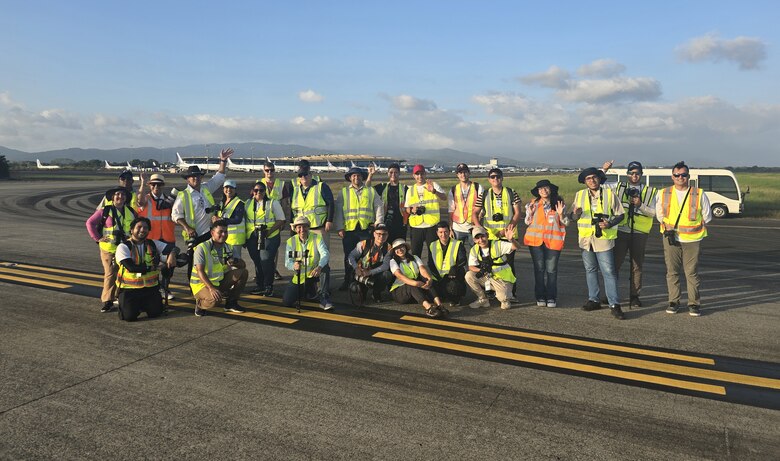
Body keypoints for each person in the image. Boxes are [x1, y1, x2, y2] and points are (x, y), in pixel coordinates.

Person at [570, 167, 626, 320]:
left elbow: (621, 214)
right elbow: (572, 217)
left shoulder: (609, 194)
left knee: (609, 271)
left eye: (594, 177)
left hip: (604, 239)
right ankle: (593, 300)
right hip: (586, 240)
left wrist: (610, 223)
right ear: (585, 182)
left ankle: (614, 304)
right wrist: (576, 214)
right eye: (588, 178)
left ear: (599, 179)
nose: (592, 180)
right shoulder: (579, 195)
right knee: (590, 269)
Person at [657, 161, 711, 317]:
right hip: (671, 238)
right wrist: (665, 222)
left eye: (683, 175)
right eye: (677, 175)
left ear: (688, 176)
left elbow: (707, 216)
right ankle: (673, 302)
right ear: (672, 176)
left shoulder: (699, 193)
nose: (680, 177)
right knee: (672, 272)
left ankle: (694, 304)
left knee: (691, 272)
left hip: (692, 240)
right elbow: (659, 213)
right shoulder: (663, 193)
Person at [602, 160, 658, 307]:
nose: (634, 175)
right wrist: (604, 170)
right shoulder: (619, 186)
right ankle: (611, 294)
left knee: (637, 266)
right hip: (621, 231)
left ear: (641, 174)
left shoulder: (650, 191)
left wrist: (640, 205)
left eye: (637, 173)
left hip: (639, 233)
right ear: (627, 174)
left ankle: (634, 296)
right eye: (631, 173)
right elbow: (599, 185)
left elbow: (655, 213)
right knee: (615, 264)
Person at [171, 147, 233, 280]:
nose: (196, 178)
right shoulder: (183, 195)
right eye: (193, 176)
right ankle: (194, 286)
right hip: (196, 235)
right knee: (195, 262)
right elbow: (175, 215)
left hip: (210, 233)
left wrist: (223, 161)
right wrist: (187, 228)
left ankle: (212, 282)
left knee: (212, 260)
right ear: (188, 179)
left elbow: (219, 178)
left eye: (198, 176)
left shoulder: (206, 188)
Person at [115, 217, 180, 321]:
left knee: (156, 313)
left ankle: (143, 304)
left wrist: (172, 254)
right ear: (131, 230)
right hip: (130, 289)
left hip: (150, 288)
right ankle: (127, 304)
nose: (142, 230)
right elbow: (131, 268)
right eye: (139, 227)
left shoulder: (153, 243)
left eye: (145, 228)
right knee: (129, 317)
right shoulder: (123, 246)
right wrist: (153, 268)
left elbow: (175, 248)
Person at [472, 167, 522, 298]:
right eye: (492, 177)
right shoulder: (484, 194)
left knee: (508, 265)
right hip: (489, 237)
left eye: (498, 176)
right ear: (489, 179)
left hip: (507, 235)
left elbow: (517, 213)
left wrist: (508, 229)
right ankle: (492, 291)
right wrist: (480, 229)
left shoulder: (511, 192)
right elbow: (474, 213)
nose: (495, 179)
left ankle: (511, 293)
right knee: (489, 264)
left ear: (502, 178)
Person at [86, 188, 137, 312]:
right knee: (110, 273)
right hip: (109, 249)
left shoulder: (131, 211)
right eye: (117, 194)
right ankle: (107, 300)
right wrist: (97, 238)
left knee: (125, 273)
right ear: (112, 197)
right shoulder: (105, 211)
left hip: (126, 248)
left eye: (123, 194)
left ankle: (121, 296)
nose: (120, 196)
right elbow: (89, 223)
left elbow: (137, 226)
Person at [290, 161, 335, 304]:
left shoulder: (321, 186)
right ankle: (309, 290)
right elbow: (293, 209)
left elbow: (331, 203)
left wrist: (329, 220)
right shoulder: (296, 189)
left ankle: (324, 293)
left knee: (322, 260)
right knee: (303, 260)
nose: (303, 178)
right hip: (302, 232)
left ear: (311, 175)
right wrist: (292, 224)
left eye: (306, 175)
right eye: (300, 175)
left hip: (318, 229)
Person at [336, 166, 384, 290]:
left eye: (358, 175)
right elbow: (339, 211)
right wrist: (340, 227)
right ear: (350, 178)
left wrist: (378, 222)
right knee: (348, 256)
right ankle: (348, 280)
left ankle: (363, 280)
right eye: (353, 176)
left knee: (365, 256)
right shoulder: (343, 192)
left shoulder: (370, 191)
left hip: (366, 229)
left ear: (362, 177)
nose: (356, 178)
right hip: (349, 230)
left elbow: (378, 206)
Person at [524, 180, 568, 308]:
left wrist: (561, 214)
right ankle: (540, 296)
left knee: (551, 270)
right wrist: (530, 213)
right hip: (536, 242)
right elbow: (527, 222)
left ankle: (551, 297)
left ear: (551, 189)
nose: (543, 190)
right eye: (540, 189)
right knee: (539, 270)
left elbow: (566, 223)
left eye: (546, 188)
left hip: (553, 242)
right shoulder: (532, 204)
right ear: (538, 192)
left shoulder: (559, 204)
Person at [190, 220, 248, 316]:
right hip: (201, 284)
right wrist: (211, 288)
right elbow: (200, 271)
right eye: (220, 232)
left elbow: (243, 265)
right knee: (215, 300)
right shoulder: (202, 248)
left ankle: (231, 303)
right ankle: (200, 304)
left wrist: (235, 262)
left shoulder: (229, 247)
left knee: (243, 272)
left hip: (218, 281)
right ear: (212, 233)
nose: (224, 234)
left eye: (225, 232)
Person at [136, 173, 177, 300]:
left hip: (168, 238)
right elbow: (139, 201)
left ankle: (164, 288)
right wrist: (142, 183)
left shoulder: (170, 200)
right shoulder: (146, 199)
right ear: (150, 186)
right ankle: (153, 289)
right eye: (153, 184)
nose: (156, 187)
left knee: (169, 266)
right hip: (151, 239)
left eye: (159, 185)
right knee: (151, 266)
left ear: (163, 186)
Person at [388, 238, 448, 318]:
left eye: (401, 247)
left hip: (415, 291)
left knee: (426, 280)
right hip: (400, 292)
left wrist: (429, 279)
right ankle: (428, 308)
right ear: (394, 251)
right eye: (397, 248)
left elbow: (422, 269)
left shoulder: (415, 257)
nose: (400, 250)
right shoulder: (393, 261)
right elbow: (400, 276)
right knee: (411, 283)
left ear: (406, 248)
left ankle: (439, 305)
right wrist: (415, 283)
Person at [465, 226, 521, 310]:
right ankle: (483, 299)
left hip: (502, 279)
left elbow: (517, 247)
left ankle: (505, 298)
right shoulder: (474, 249)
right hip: (488, 277)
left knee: (504, 303)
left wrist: (511, 239)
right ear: (474, 240)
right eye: (477, 238)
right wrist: (481, 270)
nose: (481, 240)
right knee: (469, 275)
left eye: (483, 236)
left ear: (487, 235)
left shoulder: (497, 244)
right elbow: (471, 267)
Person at [245, 180, 285, 296]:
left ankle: (268, 286)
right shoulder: (247, 203)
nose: (258, 192)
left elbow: (281, 220)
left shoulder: (272, 203)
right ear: (252, 191)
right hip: (252, 236)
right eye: (256, 190)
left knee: (266, 260)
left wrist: (268, 232)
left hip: (269, 236)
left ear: (265, 191)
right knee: (257, 261)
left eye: (261, 190)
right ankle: (260, 285)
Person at [283, 216, 332, 310]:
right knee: (287, 302)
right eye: (299, 227)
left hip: (315, 273)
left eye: (304, 226)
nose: (302, 230)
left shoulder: (317, 238)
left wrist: (319, 267)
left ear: (308, 227)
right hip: (300, 277)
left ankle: (324, 297)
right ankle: (308, 292)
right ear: (295, 229)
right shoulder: (291, 241)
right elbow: (287, 262)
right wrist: (293, 266)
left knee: (325, 267)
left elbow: (325, 254)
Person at [258, 160, 292, 282]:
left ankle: (273, 269)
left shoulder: (281, 184)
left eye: (271, 170)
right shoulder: (258, 183)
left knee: (274, 248)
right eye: (267, 170)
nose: (269, 172)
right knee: (260, 247)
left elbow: (285, 203)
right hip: (261, 221)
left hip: (276, 222)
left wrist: (283, 221)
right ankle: (261, 271)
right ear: (263, 171)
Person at [405, 164, 447, 260]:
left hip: (431, 225)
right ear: (413, 176)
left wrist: (434, 191)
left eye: (422, 174)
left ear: (425, 174)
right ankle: (417, 270)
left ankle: (433, 269)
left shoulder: (433, 185)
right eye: (417, 174)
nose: (420, 176)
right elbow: (407, 208)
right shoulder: (410, 190)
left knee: (434, 255)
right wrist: (412, 210)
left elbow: (444, 197)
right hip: (416, 226)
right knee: (415, 255)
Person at [347, 223, 394, 303]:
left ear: (387, 235)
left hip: (375, 272)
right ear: (374, 234)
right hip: (361, 272)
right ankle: (363, 290)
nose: (381, 237)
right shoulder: (363, 244)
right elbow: (351, 256)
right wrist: (356, 268)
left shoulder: (389, 247)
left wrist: (370, 272)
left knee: (387, 275)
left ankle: (376, 293)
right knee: (355, 289)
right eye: (379, 234)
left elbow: (385, 266)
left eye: (384, 234)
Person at [428, 221, 468, 307]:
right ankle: (443, 294)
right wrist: (437, 276)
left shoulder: (457, 244)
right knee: (429, 291)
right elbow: (430, 263)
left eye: (446, 232)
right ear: (437, 233)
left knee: (453, 287)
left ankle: (456, 299)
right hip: (438, 276)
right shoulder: (432, 245)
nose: (443, 234)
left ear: (449, 232)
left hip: (452, 275)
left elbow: (463, 260)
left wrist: (454, 268)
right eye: (441, 232)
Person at [448, 163, 483, 251]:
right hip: (457, 227)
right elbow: (451, 210)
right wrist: (450, 228)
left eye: (465, 172)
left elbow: (482, 208)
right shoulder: (453, 189)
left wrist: (478, 224)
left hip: (473, 226)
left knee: (475, 252)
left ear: (469, 173)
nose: (463, 175)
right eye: (460, 173)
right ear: (457, 175)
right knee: (457, 252)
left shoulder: (478, 187)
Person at [373, 162, 409, 243]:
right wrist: (370, 175)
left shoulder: (404, 188)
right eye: (391, 172)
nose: (393, 174)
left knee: (399, 246)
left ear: (399, 173)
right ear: (388, 173)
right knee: (386, 247)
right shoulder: (382, 186)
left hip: (400, 223)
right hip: (385, 223)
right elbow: (367, 190)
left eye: (396, 172)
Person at [215, 179, 246, 260]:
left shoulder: (239, 203)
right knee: (225, 261)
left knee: (235, 261)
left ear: (235, 190)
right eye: (226, 187)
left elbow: (237, 219)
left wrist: (221, 219)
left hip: (235, 239)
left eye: (231, 188)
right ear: (223, 189)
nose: (229, 190)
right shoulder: (222, 202)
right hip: (224, 237)